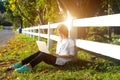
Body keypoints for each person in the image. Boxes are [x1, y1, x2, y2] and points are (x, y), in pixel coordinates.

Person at [6, 24, 75, 72]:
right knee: (40, 51)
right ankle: (21, 63)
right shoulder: (60, 40)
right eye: (58, 31)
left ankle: (29, 67)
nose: (58, 33)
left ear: (63, 31)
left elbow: (71, 55)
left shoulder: (70, 41)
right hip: (56, 58)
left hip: (62, 62)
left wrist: (58, 55)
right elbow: (58, 52)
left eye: (59, 31)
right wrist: (53, 54)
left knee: (43, 54)